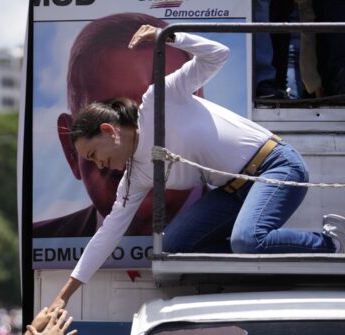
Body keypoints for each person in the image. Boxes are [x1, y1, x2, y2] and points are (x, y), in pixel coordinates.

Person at [50, 24, 345, 309]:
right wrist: (63, 296)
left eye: (92, 154)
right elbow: (107, 235)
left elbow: (218, 54)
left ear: (108, 131)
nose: (97, 164)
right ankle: (257, 249)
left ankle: (332, 242)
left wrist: (169, 37)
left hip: (276, 167)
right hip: (234, 192)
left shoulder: (159, 99)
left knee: (248, 239)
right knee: (174, 245)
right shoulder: (136, 176)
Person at [34, 12, 203, 238]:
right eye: (111, 115)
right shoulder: (42, 240)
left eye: (161, 110)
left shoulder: (244, 231)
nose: (136, 140)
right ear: (70, 148)